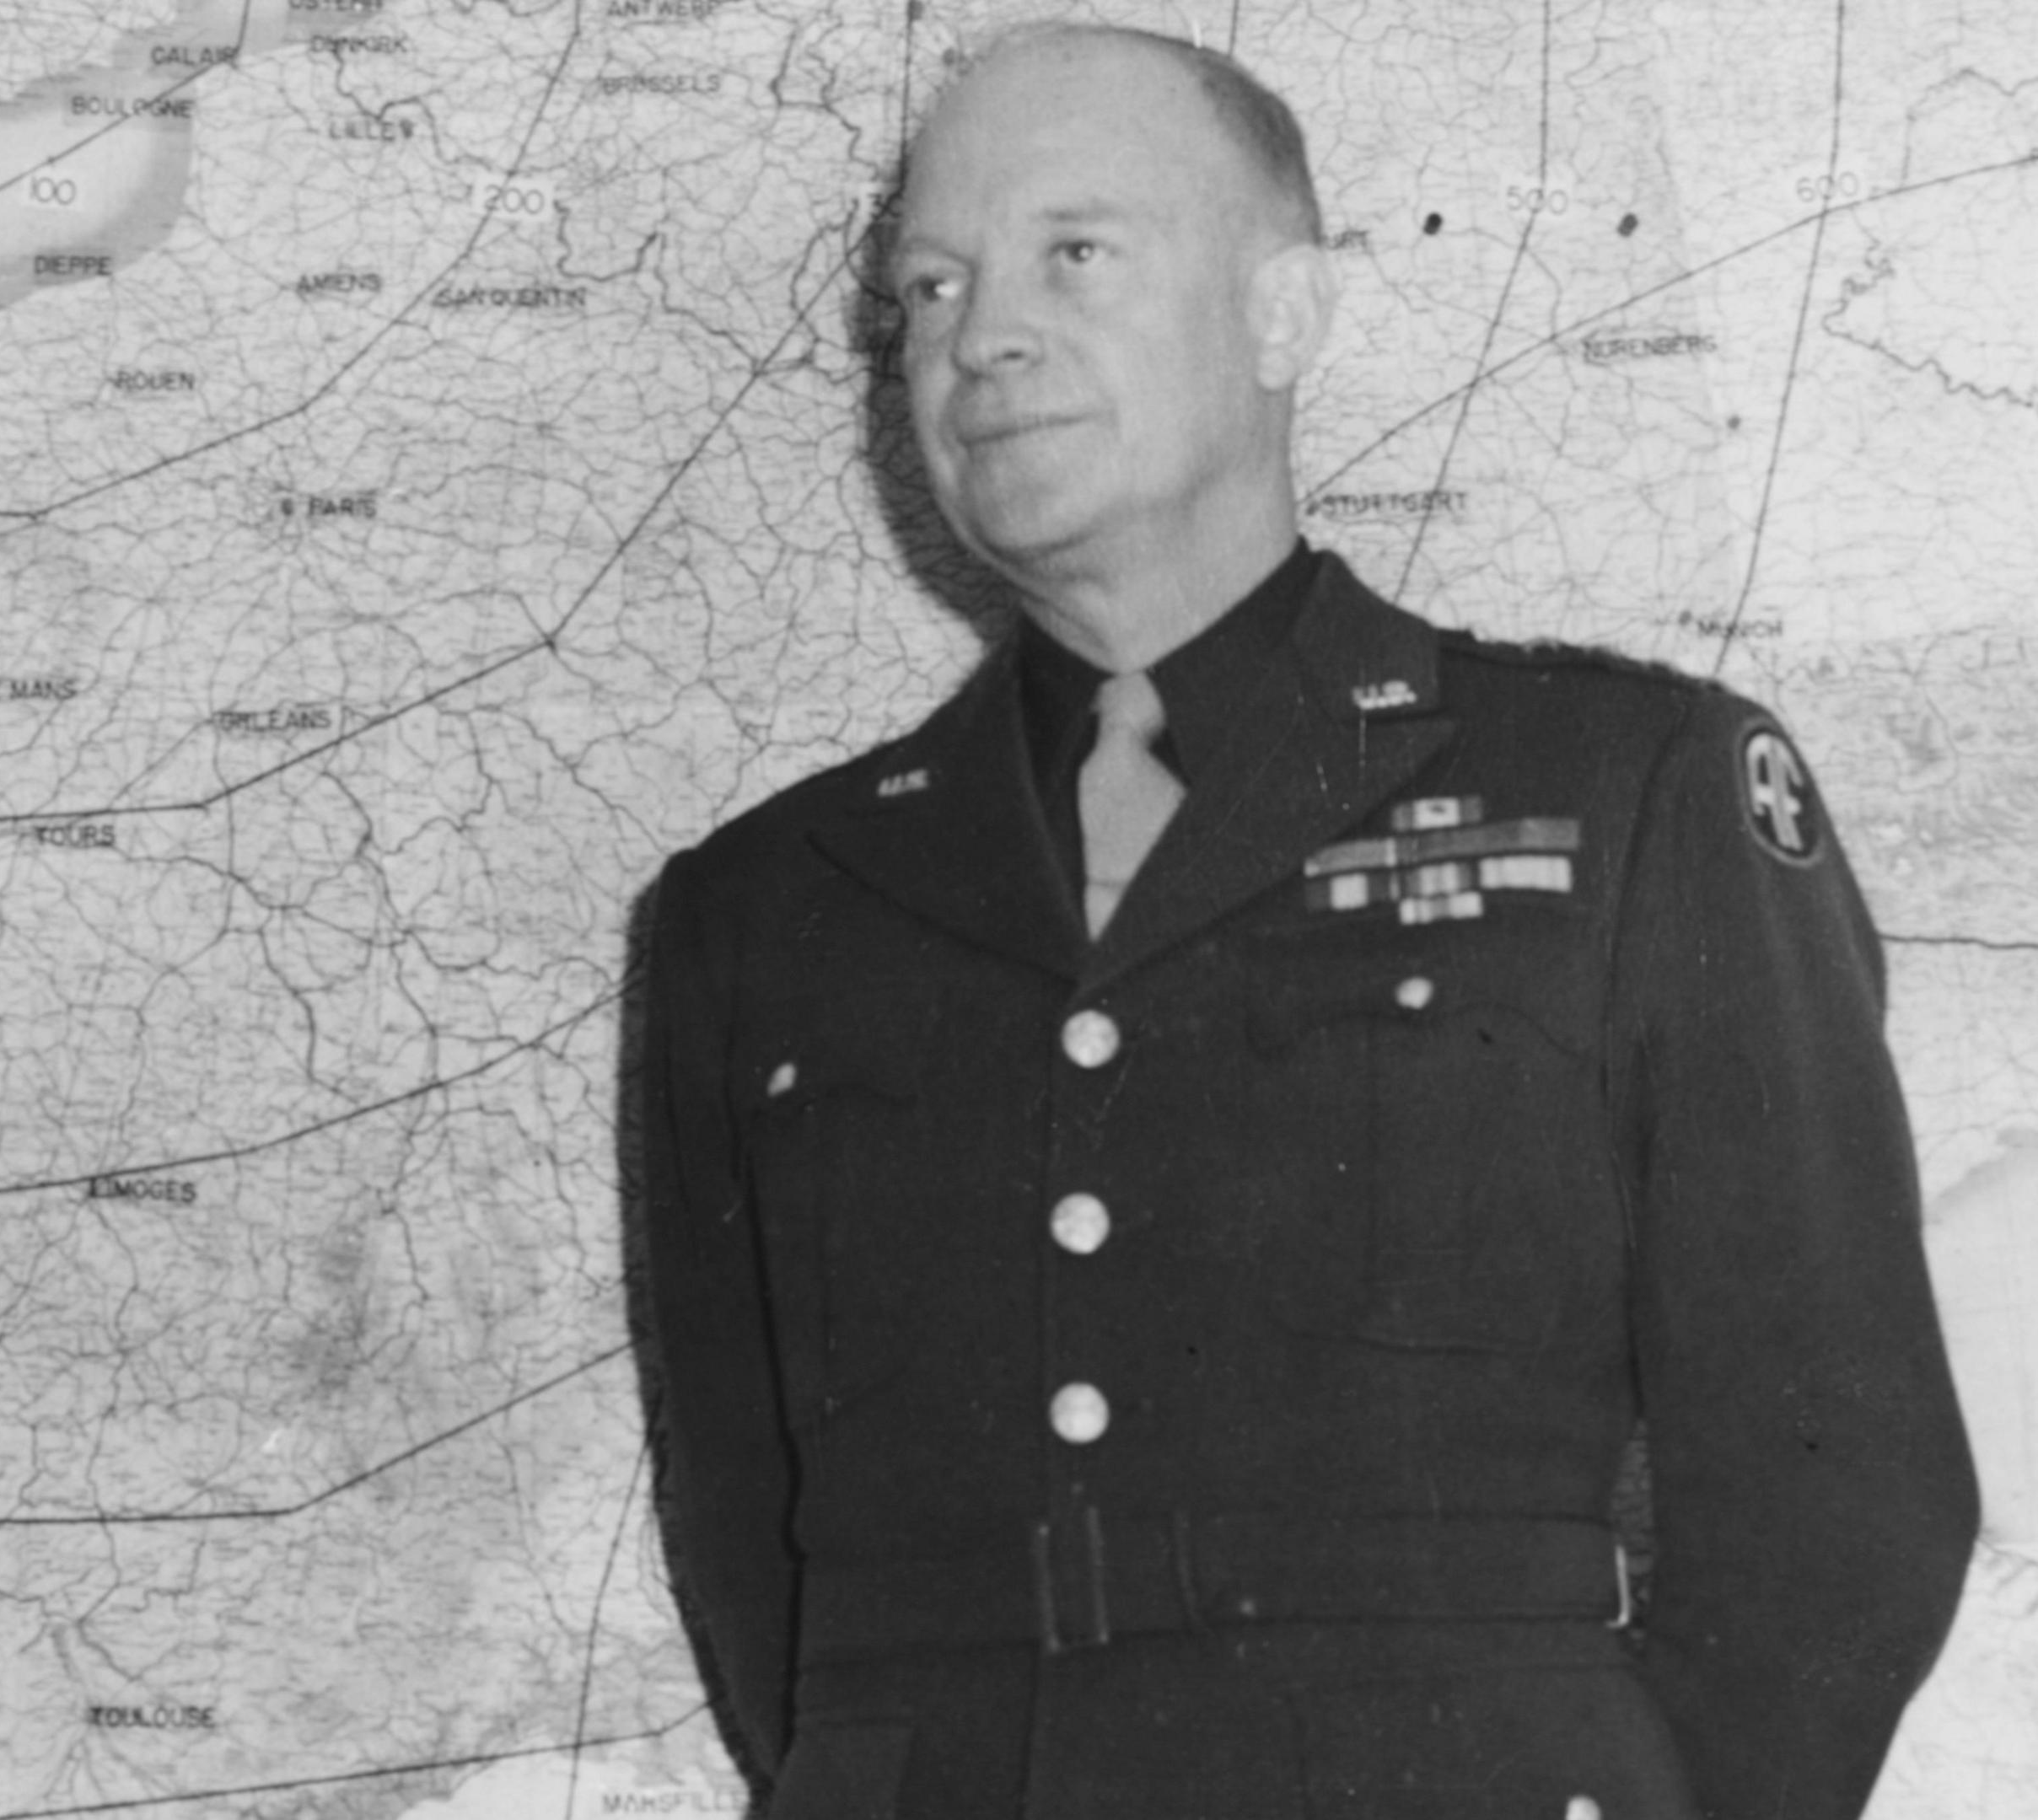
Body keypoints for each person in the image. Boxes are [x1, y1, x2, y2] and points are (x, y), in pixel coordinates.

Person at [630, 22, 1978, 1819]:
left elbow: (1841, 1502)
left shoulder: (1631, 799)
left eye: (1074, 252)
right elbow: (760, 1578)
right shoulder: (758, 917)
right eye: (929, 287)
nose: (982, 333)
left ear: (1286, 319)